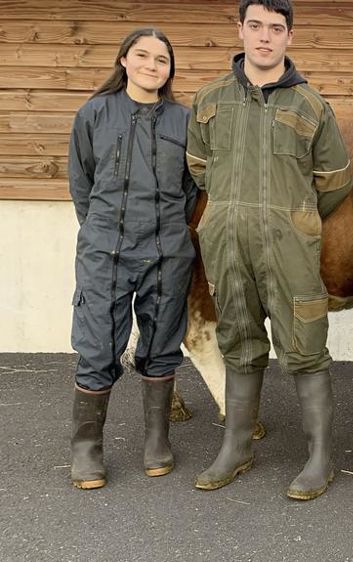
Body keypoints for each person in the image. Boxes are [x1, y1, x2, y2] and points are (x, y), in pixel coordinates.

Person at [185, 0, 352, 501]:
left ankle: (319, 457)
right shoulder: (210, 98)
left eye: (275, 28)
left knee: (304, 345)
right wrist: (231, 212)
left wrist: (291, 216)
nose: (264, 37)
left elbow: (334, 181)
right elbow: (199, 168)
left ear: (289, 37)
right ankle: (236, 447)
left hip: (290, 247)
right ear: (240, 30)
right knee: (237, 339)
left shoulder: (311, 105)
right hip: (227, 242)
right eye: (255, 26)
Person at [67, 28, 197, 489]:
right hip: (106, 250)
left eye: (162, 59)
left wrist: (168, 230)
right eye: (142, 55)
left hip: (166, 250)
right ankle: (86, 451)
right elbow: (82, 183)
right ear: (124, 60)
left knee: (162, 344)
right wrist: (101, 230)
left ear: (169, 69)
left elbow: (192, 186)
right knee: (98, 346)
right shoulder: (95, 113)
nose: (151, 65)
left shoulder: (185, 120)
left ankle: (157, 441)